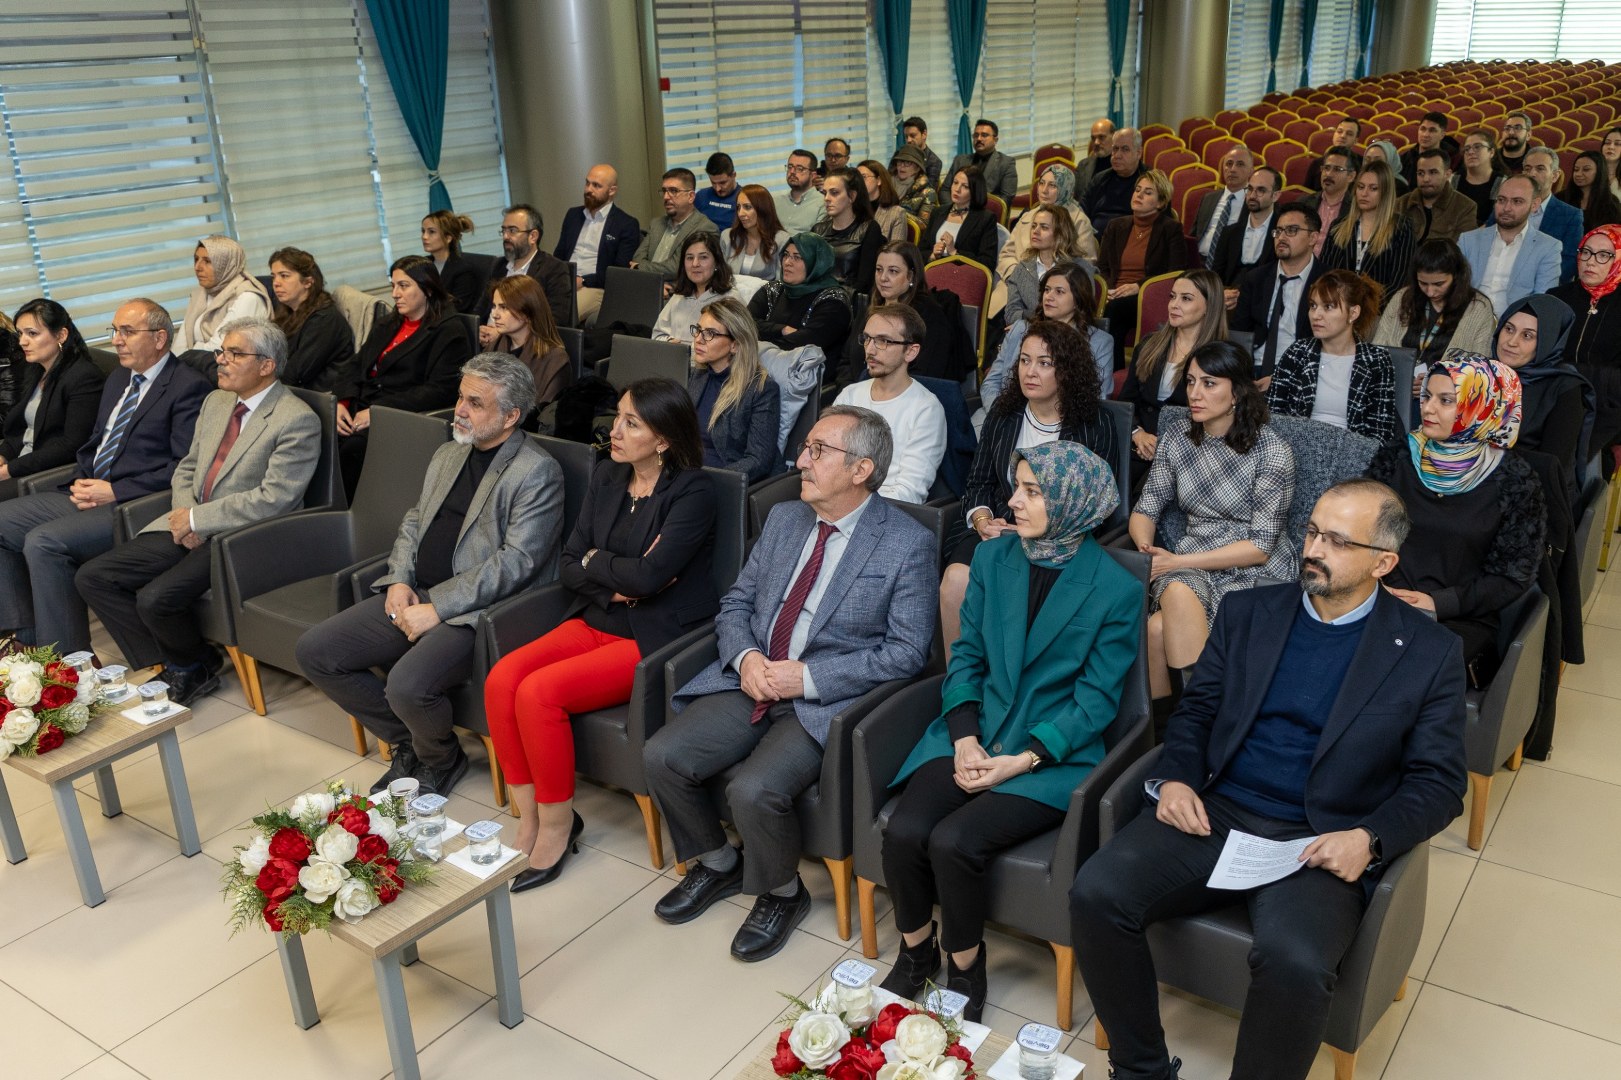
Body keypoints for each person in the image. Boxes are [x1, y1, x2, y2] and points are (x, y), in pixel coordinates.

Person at [1072, 479, 1467, 1080]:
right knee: (1096, 892)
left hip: (1320, 835)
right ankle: (1141, 1068)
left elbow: (1438, 782)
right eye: (1311, 531)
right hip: (1221, 809)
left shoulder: (1428, 651)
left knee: (1296, 960)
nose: (1313, 549)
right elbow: (1198, 711)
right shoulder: (1248, 611)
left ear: (1383, 562)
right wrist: (1175, 779)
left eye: (1337, 541)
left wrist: (1369, 838)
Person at [643, 406, 937, 963]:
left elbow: (907, 653)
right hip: (752, 679)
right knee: (662, 756)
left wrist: (809, 678)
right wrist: (748, 657)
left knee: (754, 790)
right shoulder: (784, 518)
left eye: (818, 452)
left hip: (825, 701)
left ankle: (783, 892)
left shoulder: (906, 543)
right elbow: (737, 603)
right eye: (806, 447)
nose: (800, 461)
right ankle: (718, 862)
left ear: (861, 469)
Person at [882, 442, 1139, 1020]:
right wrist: (966, 736)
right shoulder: (995, 559)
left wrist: (1020, 759)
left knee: (954, 843)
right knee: (905, 833)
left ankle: (967, 968)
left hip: (1049, 756)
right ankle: (915, 951)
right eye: (1016, 486)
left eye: (1032, 491)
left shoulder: (1116, 589)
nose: (1013, 501)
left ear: (1073, 502)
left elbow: (1095, 704)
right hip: (975, 732)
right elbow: (966, 656)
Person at [484, 377, 716, 891]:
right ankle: (530, 817)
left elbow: (652, 580)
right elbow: (571, 563)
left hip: (650, 636)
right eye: (618, 416)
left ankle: (560, 827)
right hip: (596, 617)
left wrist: (605, 566)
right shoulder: (609, 476)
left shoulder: (693, 491)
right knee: (502, 679)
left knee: (538, 693)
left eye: (631, 422)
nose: (615, 430)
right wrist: (614, 574)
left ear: (663, 439)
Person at [297, 353, 565, 796]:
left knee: (406, 685)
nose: (459, 409)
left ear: (511, 415)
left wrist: (437, 607)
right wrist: (400, 579)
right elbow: (414, 522)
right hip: (417, 592)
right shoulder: (448, 453)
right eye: (461, 397)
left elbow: (517, 562)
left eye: (475, 403)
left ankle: (441, 758)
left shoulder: (535, 472)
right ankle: (409, 742)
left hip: (478, 612)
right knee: (317, 651)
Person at [75, 317, 320, 703]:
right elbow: (188, 466)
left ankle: (188, 667)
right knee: (94, 577)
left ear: (267, 365)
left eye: (234, 353)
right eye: (222, 351)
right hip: (189, 520)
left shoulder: (296, 420)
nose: (220, 360)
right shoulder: (217, 400)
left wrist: (197, 520)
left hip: (242, 536)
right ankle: (182, 661)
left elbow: (275, 499)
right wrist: (183, 516)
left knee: (156, 598)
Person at [0, 299, 210, 656]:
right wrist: (83, 480)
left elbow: (183, 467)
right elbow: (94, 443)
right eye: (115, 331)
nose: (116, 341)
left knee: (43, 543)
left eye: (127, 332)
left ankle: (66, 662)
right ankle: (26, 641)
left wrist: (114, 490)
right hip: (86, 491)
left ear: (160, 338)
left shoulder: (187, 387)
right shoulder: (119, 379)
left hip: (134, 503)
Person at [1132, 340, 1296, 705]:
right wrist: (1148, 553)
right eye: (1190, 382)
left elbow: (1259, 547)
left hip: (1255, 567)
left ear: (1236, 391)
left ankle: (1185, 726)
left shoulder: (1272, 451)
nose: (1195, 393)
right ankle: (1193, 725)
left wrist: (1176, 562)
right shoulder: (1177, 434)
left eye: (1209, 383)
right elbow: (1147, 506)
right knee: (1168, 602)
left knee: (1157, 629)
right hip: (1193, 555)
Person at [1364, 353, 1544, 674]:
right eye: (1427, 396)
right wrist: (1375, 586)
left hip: (1459, 618)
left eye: (1446, 400)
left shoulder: (1515, 481)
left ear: (1483, 406)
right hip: (1381, 598)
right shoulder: (1399, 456)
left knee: (1397, 670)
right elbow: (1360, 528)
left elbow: (1512, 576)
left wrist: (1438, 602)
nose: (1428, 408)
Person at [945, 321, 1118, 650]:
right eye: (1024, 360)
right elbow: (978, 481)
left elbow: (1100, 504)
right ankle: (959, 686)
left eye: (1044, 363)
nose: (1030, 371)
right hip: (997, 524)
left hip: (1060, 540)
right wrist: (983, 523)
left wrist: (1038, 529)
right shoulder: (1004, 413)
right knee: (956, 579)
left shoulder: (1096, 423)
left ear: (1067, 370)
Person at [338, 256, 472, 497]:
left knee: (352, 448)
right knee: (319, 432)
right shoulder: (389, 323)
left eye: (404, 286)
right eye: (393, 286)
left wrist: (380, 412)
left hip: (404, 415)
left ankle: (352, 515)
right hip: (362, 407)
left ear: (428, 289)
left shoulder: (449, 331)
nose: (395, 294)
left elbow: (439, 390)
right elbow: (356, 364)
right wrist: (342, 402)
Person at [831, 303, 947, 503]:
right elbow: (826, 459)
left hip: (885, 513)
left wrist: (848, 504)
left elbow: (909, 492)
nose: (870, 350)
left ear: (911, 351)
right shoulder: (849, 395)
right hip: (834, 503)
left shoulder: (926, 409)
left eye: (883, 341)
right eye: (867, 339)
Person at [1267, 270, 1400, 442]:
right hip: (1295, 451)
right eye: (1313, 305)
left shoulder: (1377, 361)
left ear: (1353, 313)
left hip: (1352, 458)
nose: (1316, 315)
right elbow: (1272, 416)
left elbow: (1380, 433)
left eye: (1328, 307)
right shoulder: (1297, 353)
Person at [1121, 270, 1227, 474]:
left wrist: (1165, 445)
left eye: (1186, 299)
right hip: (1140, 446)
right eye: (1172, 296)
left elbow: (1218, 420)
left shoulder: (1219, 356)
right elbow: (1128, 400)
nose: (1174, 304)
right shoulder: (1149, 344)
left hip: (1191, 453)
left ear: (1208, 306)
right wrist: (1137, 432)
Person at [980, 263, 1114, 420]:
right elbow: (991, 383)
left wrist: (1042, 423)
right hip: (1002, 415)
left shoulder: (1100, 342)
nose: (1049, 297)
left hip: (1062, 424)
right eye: (1047, 290)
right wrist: (1002, 416)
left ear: (1078, 299)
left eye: (1059, 292)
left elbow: (1098, 397)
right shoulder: (1020, 329)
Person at [0, 300, 105, 490]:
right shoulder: (36, 370)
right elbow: (22, 430)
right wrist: (3, 455)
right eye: (20, 333)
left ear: (61, 335)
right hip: (20, 464)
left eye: (32, 333)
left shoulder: (83, 377)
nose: (22, 341)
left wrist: (9, 470)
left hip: (42, 474)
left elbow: (70, 446)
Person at [1495, 294, 1590, 496]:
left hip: (1533, 494)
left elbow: (1550, 466)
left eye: (1527, 336)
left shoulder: (1565, 388)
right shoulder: (1482, 373)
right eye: (1509, 329)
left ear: (1548, 341)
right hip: (1478, 485)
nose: (1511, 342)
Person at [840, 241, 971, 387]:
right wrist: (849, 392)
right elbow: (846, 360)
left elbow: (924, 374)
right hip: (856, 397)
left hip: (902, 401)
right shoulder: (872, 307)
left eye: (893, 271)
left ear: (911, 276)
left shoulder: (930, 316)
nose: (883, 278)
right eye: (879, 269)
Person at [1098, 169, 1190, 367]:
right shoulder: (1116, 226)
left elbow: (1176, 272)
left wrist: (1139, 286)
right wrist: (1107, 289)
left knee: (1114, 310)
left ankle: (1113, 371)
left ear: (1160, 202)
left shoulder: (1170, 229)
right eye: (1137, 190)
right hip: (1113, 293)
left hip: (1146, 296)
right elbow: (1103, 267)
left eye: (1147, 192)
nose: (1138, 195)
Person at [689, 298, 782, 481]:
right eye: (698, 330)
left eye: (710, 334)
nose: (698, 339)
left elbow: (758, 460)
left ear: (735, 344)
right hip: (687, 471)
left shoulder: (761, 390)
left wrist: (708, 478)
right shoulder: (695, 375)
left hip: (723, 480)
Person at [1372, 237, 1497, 375]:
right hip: (1397, 383)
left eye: (1439, 284)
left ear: (1456, 275)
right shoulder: (1403, 298)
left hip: (1445, 390)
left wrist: (1433, 379)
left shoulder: (1478, 308)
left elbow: (1478, 369)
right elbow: (1378, 350)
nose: (1430, 292)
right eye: (1423, 283)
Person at [1550, 224, 1621, 463]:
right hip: (1552, 397)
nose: (1590, 261)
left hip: (1605, 412)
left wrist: (1574, 372)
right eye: (1585, 252)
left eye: (1604, 255)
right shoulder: (1556, 297)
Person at [1231, 204, 1327, 376]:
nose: (1281, 237)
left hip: (1302, 372)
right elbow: (1240, 333)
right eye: (1278, 231)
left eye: (1291, 230)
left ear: (1313, 237)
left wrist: (1284, 377)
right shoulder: (1255, 278)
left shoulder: (1327, 282)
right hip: (1254, 368)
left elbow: (1330, 342)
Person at [1457, 175, 1561, 317]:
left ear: (1535, 205)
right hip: (1465, 320)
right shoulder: (1468, 240)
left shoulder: (1548, 247)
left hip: (1513, 328)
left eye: (1517, 201)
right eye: (1501, 200)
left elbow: (1543, 302)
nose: (1506, 208)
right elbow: (1454, 289)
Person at [555, 164, 641, 326]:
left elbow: (618, 272)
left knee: (559, 314)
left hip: (594, 287)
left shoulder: (626, 224)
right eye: (587, 183)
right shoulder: (573, 215)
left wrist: (584, 281)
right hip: (565, 281)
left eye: (596, 185)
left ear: (612, 191)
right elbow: (558, 256)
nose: (589, 189)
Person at [746, 233, 854, 358]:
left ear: (816, 263)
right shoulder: (773, 289)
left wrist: (750, 347)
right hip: (759, 366)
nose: (787, 262)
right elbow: (744, 324)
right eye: (786, 255)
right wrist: (781, 329)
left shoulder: (833, 301)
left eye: (797, 257)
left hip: (808, 373)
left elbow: (802, 345)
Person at [1321, 161, 1416, 298]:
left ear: (1385, 192)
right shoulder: (1338, 226)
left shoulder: (1401, 227)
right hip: (1338, 305)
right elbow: (1325, 273)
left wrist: (1364, 307)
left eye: (1373, 188)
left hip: (1379, 310)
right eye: (1360, 187)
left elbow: (1398, 283)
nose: (1364, 193)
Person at [266, 247, 354, 392]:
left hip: (320, 396)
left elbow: (296, 373)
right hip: (295, 391)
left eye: (284, 275)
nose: (276, 283)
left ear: (307, 282)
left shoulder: (323, 319)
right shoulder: (287, 313)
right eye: (274, 276)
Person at [997, 161, 1100, 281]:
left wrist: (1050, 281)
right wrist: (1016, 274)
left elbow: (1086, 263)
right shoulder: (1027, 216)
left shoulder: (1078, 220)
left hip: (1056, 286)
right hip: (1016, 279)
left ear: (1065, 188)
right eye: (1041, 183)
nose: (1044, 190)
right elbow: (1007, 253)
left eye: (1052, 185)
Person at [475, 204, 572, 331]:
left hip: (524, 345)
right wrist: (478, 330)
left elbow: (555, 321)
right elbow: (480, 309)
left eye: (512, 231)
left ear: (533, 236)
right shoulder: (498, 266)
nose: (505, 236)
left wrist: (502, 336)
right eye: (503, 230)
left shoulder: (554, 269)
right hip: (487, 343)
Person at [173, 235, 272, 359]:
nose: (197, 267)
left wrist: (191, 350)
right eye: (196, 259)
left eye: (207, 261)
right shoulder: (200, 295)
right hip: (197, 366)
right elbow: (179, 345)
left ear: (226, 264)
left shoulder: (248, 297)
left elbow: (219, 349)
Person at [485, 273, 571, 411]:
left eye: (504, 307)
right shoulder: (493, 348)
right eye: (494, 306)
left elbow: (545, 416)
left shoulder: (555, 359)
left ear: (527, 312)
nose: (495, 314)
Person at [1003, 206, 1094, 327]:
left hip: (1068, 337)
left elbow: (1084, 312)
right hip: (1028, 335)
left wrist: (1028, 319)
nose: (1035, 231)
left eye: (1044, 227)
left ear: (1061, 233)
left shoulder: (1080, 268)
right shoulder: (1022, 268)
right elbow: (1010, 314)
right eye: (1034, 226)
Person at [631, 168, 720, 284]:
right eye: (664, 191)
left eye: (673, 191)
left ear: (691, 197)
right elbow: (637, 258)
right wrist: (655, 284)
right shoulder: (656, 224)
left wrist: (640, 268)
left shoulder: (704, 227)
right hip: (646, 287)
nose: (666, 197)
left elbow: (677, 267)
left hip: (678, 294)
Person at [652, 231, 741, 344]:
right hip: (674, 359)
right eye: (689, 258)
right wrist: (670, 343)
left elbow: (741, 345)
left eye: (703, 257)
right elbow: (657, 335)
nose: (695, 264)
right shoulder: (678, 297)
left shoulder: (731, 299)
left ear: (717, 262)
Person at [1517, 146, 1587, 284]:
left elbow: (1570, 261)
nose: (1532, 174)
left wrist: (1538, 283)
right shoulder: (1507, 205)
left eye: (1540, 169)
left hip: (1544, 288)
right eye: (1527, 168)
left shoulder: (1570, 216)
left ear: (1555, 176)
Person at [813, 166, 883, 294]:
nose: (827, 198)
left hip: (849, 302)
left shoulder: (869, 229)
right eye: (824, 193)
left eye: (834, 193)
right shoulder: (818, 230)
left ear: (852, 196)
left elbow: (865, 283)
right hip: (817, 299)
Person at [1211, 166, 1282, 292]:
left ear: (1275, 196)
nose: (1252, 195)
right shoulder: (1230, 232)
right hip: (1228, 295)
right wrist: (1222, 294)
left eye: (1261, 190)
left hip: (1264, 299)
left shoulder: (1282, 233)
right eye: (1249, 189)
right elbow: (1216, 275)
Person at [920, 166, 1000, 269]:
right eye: (955, 182)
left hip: (962, 276)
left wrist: (954, 252)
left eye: (965, 187)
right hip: (933, 271)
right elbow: (921, 251)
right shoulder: (938, 212)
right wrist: (932, 255)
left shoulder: (986, 219)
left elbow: (988, 262)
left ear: (975, 191)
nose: (957, 189)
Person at [1397, 148, 1478, 244]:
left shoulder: (1465, 207)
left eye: (1433, 172)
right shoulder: (1400, 204)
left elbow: (1462, 251)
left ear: (1447, 174)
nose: (1426, 179)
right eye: (1421, 173)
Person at [1195, 145, 1256, 268]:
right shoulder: (1208, 198)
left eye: (1240, 164)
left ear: (1251, 170)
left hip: (1231, 268)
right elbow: (1194, 235)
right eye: (1228, 163)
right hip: (1198, 263)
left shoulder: (1255, 202)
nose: (1232, 169)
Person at [1082, 127, 1147, 233]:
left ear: (1138, 153)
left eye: (1125, 149)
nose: (1117, 155)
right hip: (1095, 241)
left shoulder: (1151, 182)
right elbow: (1082, 212)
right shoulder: (1100, 179)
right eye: (1115, 149)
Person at [720, 184, 790, 281]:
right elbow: (720, 277)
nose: (740, 213)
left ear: (763, 208)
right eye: (738, 207)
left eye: (747, 207)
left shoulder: (782, 239)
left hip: (766, 295)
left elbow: (781, 283)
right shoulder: (728, 236)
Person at [420, 210, 482, 313]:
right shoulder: (422, 265)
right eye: (423, 231)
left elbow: (457, 309)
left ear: (448, 238)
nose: (424, 237)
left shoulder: (463, 270)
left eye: (431, 232)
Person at [943, 119, 1018, 203]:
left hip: (986, 213)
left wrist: (972, 211)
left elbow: (1006, 198)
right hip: (956, 211)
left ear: (995, 140)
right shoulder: (960, 160)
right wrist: (954, 208)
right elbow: (944, 190)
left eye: (984, 135)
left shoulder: (1006, 163)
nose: (979, 139)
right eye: (976, 135)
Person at [1303, 146, 1357, 254]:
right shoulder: (1304, 202)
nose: (1329, 174)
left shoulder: (1356, 209)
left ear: (1351, 176)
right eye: (1326, 168)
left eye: (1337, 169)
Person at [1557, 149, 1621, 233]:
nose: (1578, 174)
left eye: (1586, 169)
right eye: (1576, 170)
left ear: (1599, 172)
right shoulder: (1560, 199)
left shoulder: (1612, 205)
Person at [1453, 129, 1504, 226]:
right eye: (1467, 149)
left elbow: (1499, 219)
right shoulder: (1453, 180)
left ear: (1491, 152)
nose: (1471, 152)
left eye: (1477, 147)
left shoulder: (1503, 183)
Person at [1398, 111, 1456, 189]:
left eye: (1432, 130)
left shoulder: (1454, 160)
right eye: (1423, 129)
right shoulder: (1405, 159)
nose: (1425, 135)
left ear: (1442, 135)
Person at [1303, 116, 1361, 191]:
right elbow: (1307, 192)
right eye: (1339, 132)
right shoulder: (1317, 163)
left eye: (1349, 134)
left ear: (1356, 141)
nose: (1343, 136)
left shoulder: (1362, 164)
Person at [778, 149, 828, 236]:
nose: (792, 172)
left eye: (799, 169)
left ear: (813, 175)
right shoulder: (775, 202)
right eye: (790, 167)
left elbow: (818, 242)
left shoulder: (823, 203)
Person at [856, 159, 908, 244]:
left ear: (879, 180)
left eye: (864, 177)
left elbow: (896, 251)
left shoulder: (896, 213)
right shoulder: (852, 209)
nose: (859, 182)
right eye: (857, 178)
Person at [889, 145, 939, 226]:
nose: (902, 166)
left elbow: (924, 225)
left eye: (907, 162)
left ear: (918, 168)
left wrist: (898, 212)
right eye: (900, 161)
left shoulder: (928, 193)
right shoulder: (886, 183)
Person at [696, 152, 739, 231]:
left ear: (734, 175)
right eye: (713, 183)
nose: (717, 188)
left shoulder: (744, 198)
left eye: (722, 183)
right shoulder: (701, 196)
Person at [1074, 117, 1116, 192]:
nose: (1096, 142)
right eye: (1093, 138)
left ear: (1114, 137)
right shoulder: (1083, 166)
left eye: (1101, 137)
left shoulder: (1123, 168)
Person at [903, 116, 944, 189]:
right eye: (906, 136)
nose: (908, 140)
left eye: (913, 136)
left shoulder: (934, 162)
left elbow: (929, 191)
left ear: (924, 134)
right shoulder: (899, 156)